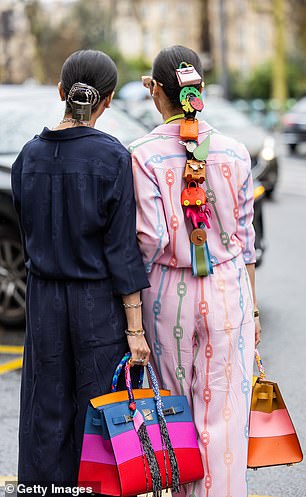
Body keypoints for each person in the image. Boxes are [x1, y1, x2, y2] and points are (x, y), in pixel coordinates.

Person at [11, 49, 150, 491]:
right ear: (107, 101)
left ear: (60, 91)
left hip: (44, 298)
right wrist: (135, 329)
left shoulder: (26, 158)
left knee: (44, 410)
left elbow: (28, 231)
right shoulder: (112, 158)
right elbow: (122, 250)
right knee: (100, 411)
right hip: (96, 303)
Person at [129, 45, 261, 497]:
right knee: (226, 418)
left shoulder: (142, 154)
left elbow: (149, 239)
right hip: (230, 292)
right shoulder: (237, 151)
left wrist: (131, 309)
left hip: (168, 297)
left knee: (176, 415)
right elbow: (245, 240)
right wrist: (255, 310)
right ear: (200, 90)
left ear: (156, 92)